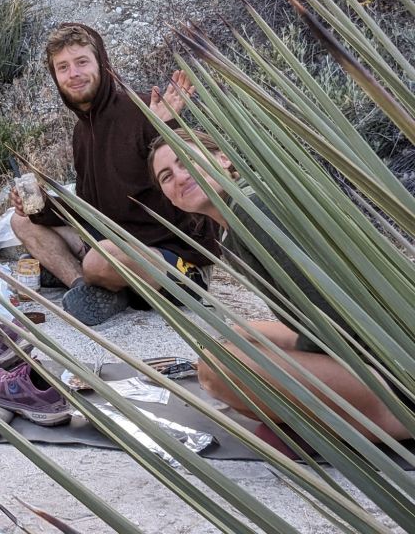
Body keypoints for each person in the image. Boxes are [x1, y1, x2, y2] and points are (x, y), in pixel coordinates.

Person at [0, 22, 216, 391]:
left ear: (101, 64)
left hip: (172, 259)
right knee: (21, 222)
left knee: (101, 259)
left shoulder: (144, 110)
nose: (73, 74)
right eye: (63, 67)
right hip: (112, 241)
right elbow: (88, 207)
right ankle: (87, 287)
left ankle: (99, 280)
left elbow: (188, 168)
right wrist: (39, 208)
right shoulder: (83, 131)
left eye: (81, 62)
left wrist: (164, 126)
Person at [148, 128, 412, 445]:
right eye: (166, 176)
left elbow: (335, 319)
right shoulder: (238, 217)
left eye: (186, 159)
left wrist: (285, 369)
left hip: (391, 368)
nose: (179, 177)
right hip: (370, 341)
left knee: (217, 369)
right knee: (243, 333)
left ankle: (388, 420)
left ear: (224, 158)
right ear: (168, 196)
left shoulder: (253, 213)